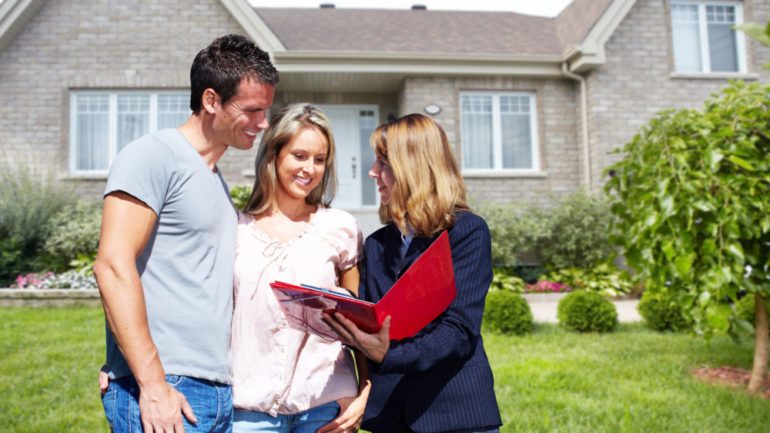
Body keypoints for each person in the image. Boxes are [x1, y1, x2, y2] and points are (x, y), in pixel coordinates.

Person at [94, 34, 278, 433]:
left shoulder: (213, 180)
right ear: (211, 100)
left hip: (213, 391)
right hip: (169, 391)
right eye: (252, 110)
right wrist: (150, 382)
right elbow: (111, 265)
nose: (263, 124)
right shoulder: (154, 155)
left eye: (267, 110)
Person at [324, 113, 503, 433]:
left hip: (454, 414)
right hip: (391, 416)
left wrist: (389, 353)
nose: (372, 173)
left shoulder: (466, 232)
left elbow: (459, 332)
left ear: (414, 168)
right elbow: (369, 319)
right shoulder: (377, 244)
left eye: (383, 163)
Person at [231, 103, 370, 433]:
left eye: (319, 159)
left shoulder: (340, 228)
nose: (310, 168)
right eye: (299, 155)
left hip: (325, 408)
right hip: (250, 411)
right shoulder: (235, 229)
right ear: (274, 154)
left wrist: (365, 391)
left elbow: (360, 323)